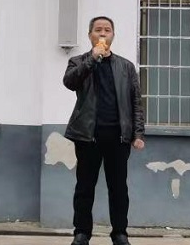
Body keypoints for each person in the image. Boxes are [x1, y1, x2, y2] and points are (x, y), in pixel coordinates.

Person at [63, 16, 145, 245]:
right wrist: (92, 58)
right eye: (98, 30)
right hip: (87, 136)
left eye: (107, 30)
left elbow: (136, 101)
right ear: (90, 35)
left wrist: (138, 134)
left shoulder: (126, 67)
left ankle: (120, 233)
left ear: (113, 35)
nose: (102, 33)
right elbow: (70, 82)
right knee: (84, 188)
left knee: (118, 188)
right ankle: (82, 233)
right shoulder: (78, 61)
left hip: (118, 137)